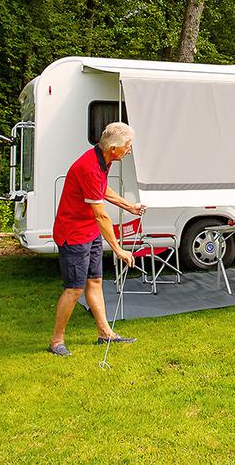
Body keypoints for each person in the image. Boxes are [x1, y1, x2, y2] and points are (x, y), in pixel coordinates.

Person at [48, 122, 146, 356]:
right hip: (73, 233)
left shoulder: (103, 159)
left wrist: (129, 206)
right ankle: (56, 341)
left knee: (95, 282)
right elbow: (101, 215)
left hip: (89, 231)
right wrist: (118, 249)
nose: (129, 149)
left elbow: (101, 189)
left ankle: (105, 333)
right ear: (113, 148)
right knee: (74, 289)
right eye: (127, 145)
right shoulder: (90, 167)